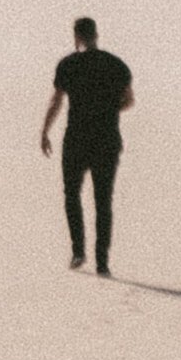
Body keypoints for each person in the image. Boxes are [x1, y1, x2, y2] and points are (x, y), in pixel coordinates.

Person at [40, 17, 135, 273]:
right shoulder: (116, 65)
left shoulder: (68, 65)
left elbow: (56, 101)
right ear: (96, 34)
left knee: (72, 194)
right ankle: (102, 262)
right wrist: (108, 108)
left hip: (77, 139)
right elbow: (129, 100)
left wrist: (45, 130)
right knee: (103, 200)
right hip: (107, 138)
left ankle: (78, 251)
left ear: (77, 37)